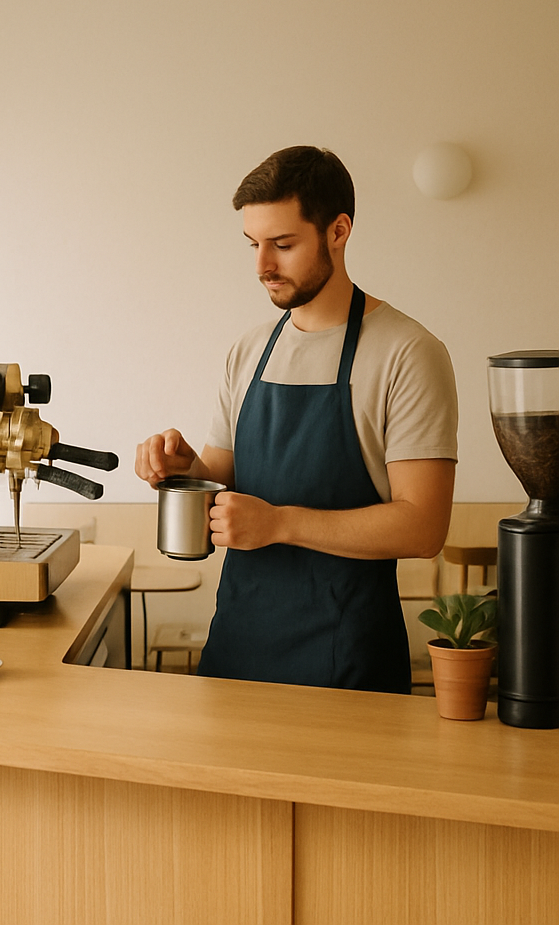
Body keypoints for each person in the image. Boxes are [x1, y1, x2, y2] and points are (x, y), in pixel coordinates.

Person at [135, 146, 458, 693]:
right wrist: (181, 466)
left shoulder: (408, 352)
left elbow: (423, 526)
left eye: (283, 245)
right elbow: (221, 478)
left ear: (338, 230)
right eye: (254, 244)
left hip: (348, 661)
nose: (262, 265)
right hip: (238, 646)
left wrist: (280, 523)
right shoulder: (249, 350)